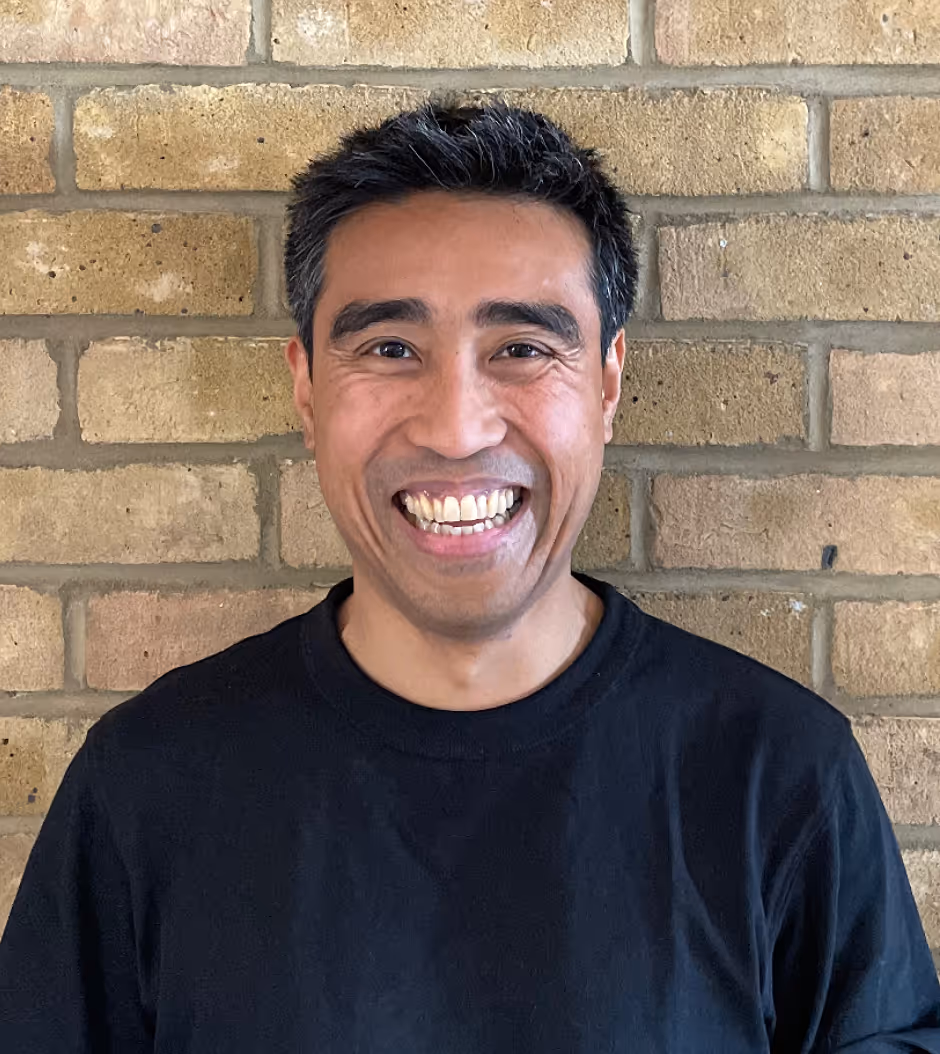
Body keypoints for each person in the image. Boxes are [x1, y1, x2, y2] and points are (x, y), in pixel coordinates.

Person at [1, 98, 938, 1053]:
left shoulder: (777, 778)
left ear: (609, 383)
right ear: (305, 385)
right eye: (390, 348)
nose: (456, 427)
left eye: (523, 349)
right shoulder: (149, 784)